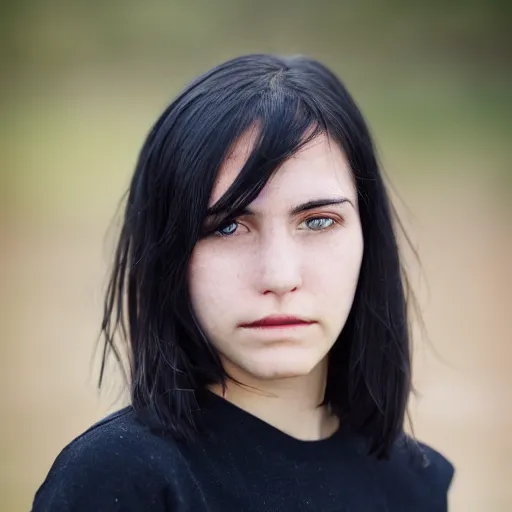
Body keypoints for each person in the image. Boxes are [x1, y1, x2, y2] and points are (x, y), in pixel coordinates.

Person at [32, 53, 455, 511]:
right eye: (227, 226)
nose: (279, 276)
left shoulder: (414, 485)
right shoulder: (123, 481)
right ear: (168, 253)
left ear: (369, 239)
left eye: (318, 221)